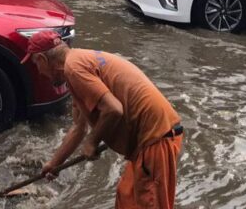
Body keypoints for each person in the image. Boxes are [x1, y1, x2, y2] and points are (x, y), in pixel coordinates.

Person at [24, 30, 183, 209]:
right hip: (145, 142)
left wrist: (92, 142)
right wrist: (55, 163)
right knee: (126, 199)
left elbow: (114, 109)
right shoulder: (78, 63)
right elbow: (79, 128)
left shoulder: (74, 68)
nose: (39, 72)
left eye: (36, 65)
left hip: (156, 138)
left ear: (43, 60)